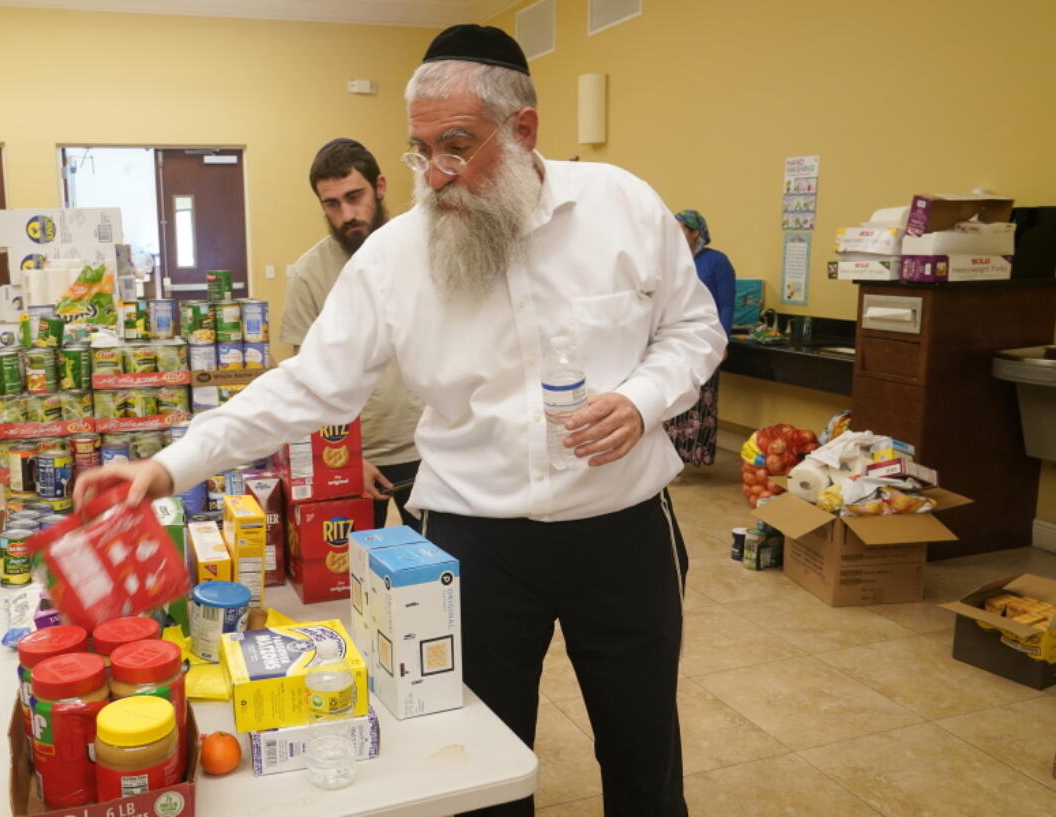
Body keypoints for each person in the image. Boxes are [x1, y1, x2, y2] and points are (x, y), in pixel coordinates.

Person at [77, 24, 724, 817]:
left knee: (642, 747)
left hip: (621, 527)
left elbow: (696, 330)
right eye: (420, 150)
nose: (435, 174)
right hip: (475, 540)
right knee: (472, 765)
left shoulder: (623, 205)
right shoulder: (395, 256)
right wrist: (171, 464)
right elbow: (308, 385)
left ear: (524, 130)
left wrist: (644, 398)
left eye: (456, 145)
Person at [281, 138, 424, 530]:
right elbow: (307, 380)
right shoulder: (310, 274)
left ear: (380, 187)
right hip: (353, 457)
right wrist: (348, 456)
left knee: (434, 576)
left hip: (428, 448)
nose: (347, 214)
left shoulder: (424, 251)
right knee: (357, 581)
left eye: (354, 196)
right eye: (332, 204)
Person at [665, 209, 735, 467]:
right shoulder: (671, 261)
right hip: (673, 338)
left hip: (706, 338)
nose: (675, 234)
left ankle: (695, 455)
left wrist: (723, 339)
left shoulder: (716, 261)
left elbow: (726, 304)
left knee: (700, 400)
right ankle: (672, 458)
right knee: (673, 396)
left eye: (681, 228)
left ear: (696, 232)